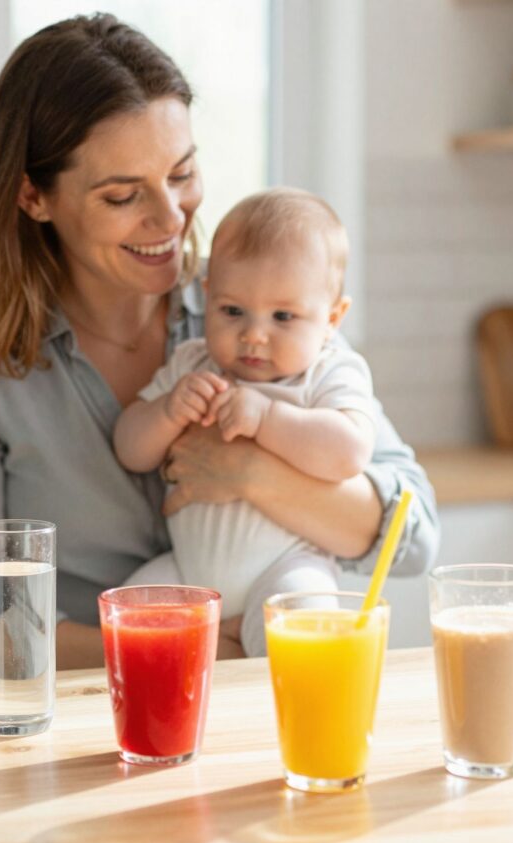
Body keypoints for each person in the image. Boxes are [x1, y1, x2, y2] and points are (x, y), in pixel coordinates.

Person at [0, 13, 440, 676]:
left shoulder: (249, 315)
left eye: (181, 174)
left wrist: (252, 472)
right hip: (79, 734)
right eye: (124, 195)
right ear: (33, 196)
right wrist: (196, 645)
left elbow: (412, 535)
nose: (172, 218)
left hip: (250, 725)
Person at [114, 188, 379, 655]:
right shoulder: (192, 363)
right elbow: (130, 449)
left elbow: (350, 451)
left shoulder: (330, 371)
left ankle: (304, 725)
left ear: (333, 318)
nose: (254, 334)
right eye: (233, 311)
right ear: (208, 295)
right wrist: (168, 410)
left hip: (285, 567)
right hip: (188, 572)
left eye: (283, 316)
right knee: (129, 620)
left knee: (307, 624)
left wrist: (268, 417)